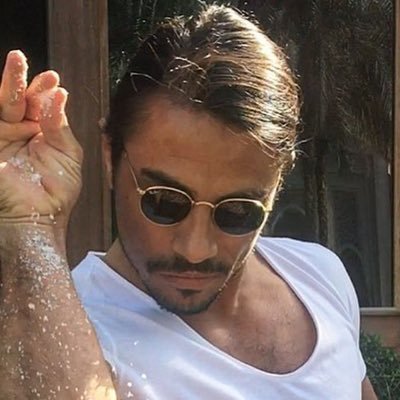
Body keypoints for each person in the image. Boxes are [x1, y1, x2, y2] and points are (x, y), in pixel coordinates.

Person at [0, 4, 378, 400]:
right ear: (110, 156)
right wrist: (30, 227)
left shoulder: (318, 276)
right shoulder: (61, 331)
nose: (196, 249)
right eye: (164, 202)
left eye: (238, 211)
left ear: (277, 182)